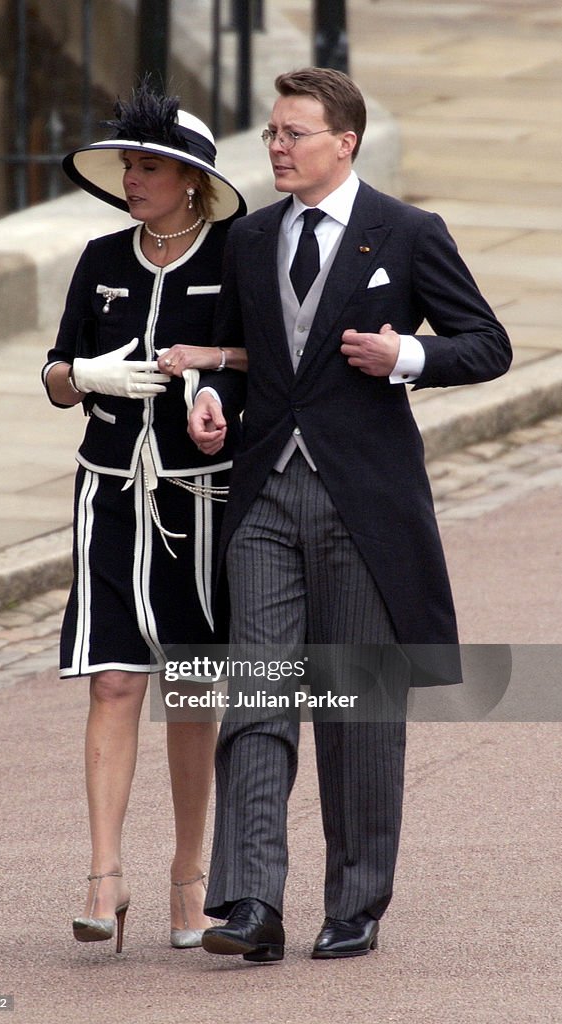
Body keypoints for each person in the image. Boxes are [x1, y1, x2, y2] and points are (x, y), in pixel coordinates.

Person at [188, 67, 512, 962]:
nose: (276, 148)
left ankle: (356, 902)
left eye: (294, 133)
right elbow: (243, 353)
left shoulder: (406, 233)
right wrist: (211, 393)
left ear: (346, 141)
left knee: (356, 709)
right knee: (256, 693)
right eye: (271, 134)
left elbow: (487, 343)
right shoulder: (248, 240)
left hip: (362, 503)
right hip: (261, 495)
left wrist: (405, 353)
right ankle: (250, 901)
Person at [41, 81, 246, 953]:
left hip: (200, 500)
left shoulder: (236, 255)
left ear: (192, 180)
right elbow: (53, 373)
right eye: (129, 163)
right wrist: (85, 376)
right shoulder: (100, 259)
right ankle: (102, 877)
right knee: (115, 680)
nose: (135, 177)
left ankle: (187, 877)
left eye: (151, 165)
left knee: (193, 692)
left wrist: (209, 377)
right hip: (111, 493)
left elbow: (263, 358)